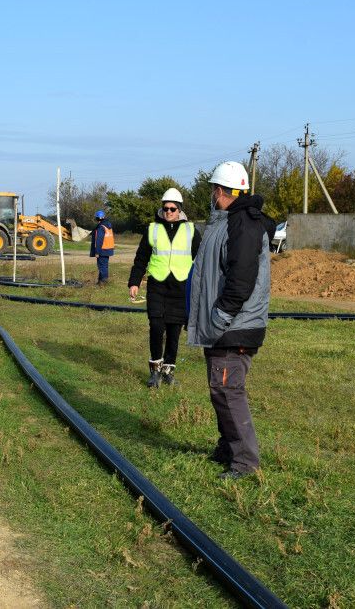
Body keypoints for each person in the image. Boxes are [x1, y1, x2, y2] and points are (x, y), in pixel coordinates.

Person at [187, 161, 271, 481]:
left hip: (234, 325)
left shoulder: (243, 224)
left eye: (212, 190)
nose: (211, 195)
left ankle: (245, 462)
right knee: (219, 389)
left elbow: (241, 277)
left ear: (220, 192)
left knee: (228, 389)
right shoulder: (227, 221)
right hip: (222, 325)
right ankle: (228, 447)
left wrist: (221, 315)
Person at [128, 188, 201, 388]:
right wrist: (134, 282)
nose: (168, 212)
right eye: (165, 208)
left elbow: (202, 260)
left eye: (172, 208)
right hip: (157, 285)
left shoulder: (191, 230)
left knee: (174, 331)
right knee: (156, 327)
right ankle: (155, 371)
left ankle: (169, 371)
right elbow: (141, 258)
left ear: (180, 210)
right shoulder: (152, 229)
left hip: (180, 287)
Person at [89, 209, 115, 285]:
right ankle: (100, 281)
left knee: (102, 267)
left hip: (102, 250)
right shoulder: (108, 225)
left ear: (97, 218)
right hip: (108, 249)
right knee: (104, 266)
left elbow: (99, 240)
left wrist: (97, 252)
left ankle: (103, 282)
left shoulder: (101, 227)